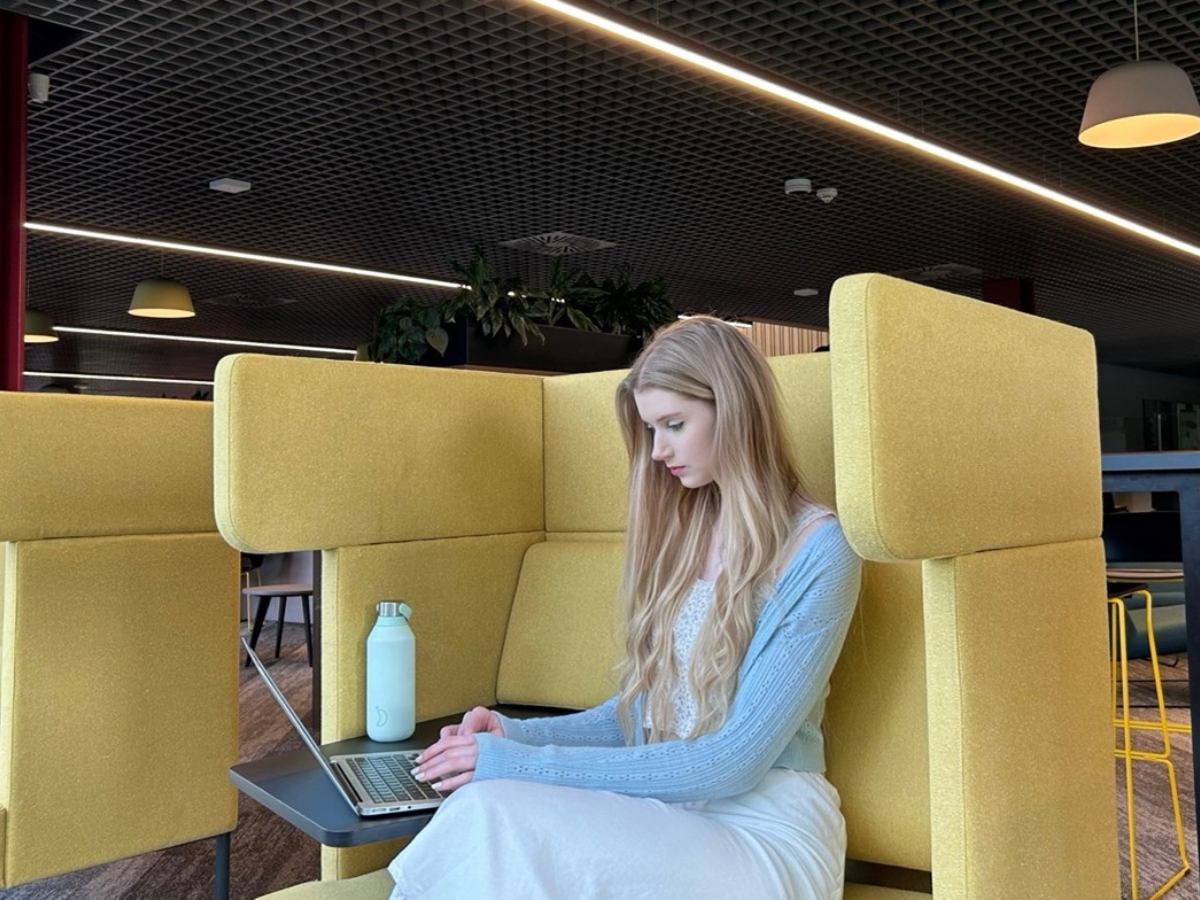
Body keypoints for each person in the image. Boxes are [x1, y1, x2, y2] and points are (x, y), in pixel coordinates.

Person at [388, 315, 862, 899]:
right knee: (490, 811)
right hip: (670, 815)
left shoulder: (820, 549)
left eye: (674, 424)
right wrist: (515, 736)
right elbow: (639, 717)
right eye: (650, 429)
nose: (658, 450)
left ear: (735, 411)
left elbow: (732, 761)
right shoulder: (687, 529)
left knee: (495, 810)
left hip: (763, 830)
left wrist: (519, 765)